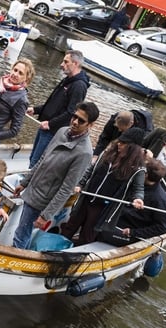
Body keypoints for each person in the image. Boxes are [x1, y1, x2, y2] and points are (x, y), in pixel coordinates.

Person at [11, 101, 100, 250]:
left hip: (43, 198)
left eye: (81, 121)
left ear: (90, 125)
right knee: (23, 230)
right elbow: (42, 159)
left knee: (22, 233)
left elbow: (67, 189)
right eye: (74, 117)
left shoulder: (84, 152)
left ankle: (14, 261)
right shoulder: (61, 131)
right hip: (33, 188)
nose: (75, 122)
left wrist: (47, 215)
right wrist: (25, 182)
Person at [60, 127, 146, 246]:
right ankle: (59, 245)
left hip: (102, 207)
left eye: (123, 143)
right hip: (87, 198)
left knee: (88, 234)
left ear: (132, 148)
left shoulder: (138, 168)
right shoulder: (107, 154)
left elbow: (139, 188)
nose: (119, 144)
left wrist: (138, 198)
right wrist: (80, 184)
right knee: (70, 225)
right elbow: (90, 170)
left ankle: (77, 253)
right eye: (119, 141)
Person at [27, 49, 90, 168]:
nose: (62, 64)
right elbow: (53, 104)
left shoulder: (78, 86)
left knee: (37, 162)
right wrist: (36, 110)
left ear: (75, 63)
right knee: (33, 158)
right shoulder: (67, 80)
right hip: (45, 127)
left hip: (53, 132)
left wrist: (50, 123)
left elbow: (71, 112)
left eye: (66, 62)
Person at [98, 158, 166, 246]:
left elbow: (163, 227)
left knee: (100, 232)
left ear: (146, 175)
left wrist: (134, 232)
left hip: (128, 230)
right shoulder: (135, 182)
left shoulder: (159, 199)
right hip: (116, 219)